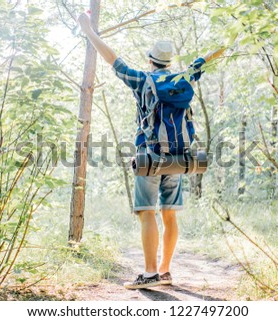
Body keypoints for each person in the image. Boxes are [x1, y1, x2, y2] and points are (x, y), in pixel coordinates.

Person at [77, 12, 224, 289]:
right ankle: (165, 271)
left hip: (150, 157)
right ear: (169, 63)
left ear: (150, 60)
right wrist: (236, 34)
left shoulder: (141, 79)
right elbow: (208, 56)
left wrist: (88, 30)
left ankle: (149, 273)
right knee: (170, 214)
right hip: (180, 158)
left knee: (147, 212)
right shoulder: (185, 77)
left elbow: (112, 59)